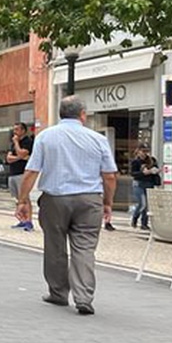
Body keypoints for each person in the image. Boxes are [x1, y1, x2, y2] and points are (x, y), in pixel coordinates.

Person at [17, 96, 116, 316]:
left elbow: (31, 171)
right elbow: (109, 175)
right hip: (90, 200)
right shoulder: (97, 139)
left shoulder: (46, 137)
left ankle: (58, 292)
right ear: (82, 114)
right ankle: (84, 297)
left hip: (55, 199)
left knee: (55, 245)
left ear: (61, 113)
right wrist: (108, 202)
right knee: (84, 248)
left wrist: (22, 199)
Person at [6, 122, 35, 231]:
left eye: (17, 129)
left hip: (23, 173)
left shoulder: (28, 141)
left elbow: (22, 153)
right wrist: (19, 157)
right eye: (14, 129)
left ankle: (29, 221)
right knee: (18, 198)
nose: (15, 132)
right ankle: (22, 220)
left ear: (23, 130)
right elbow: (8, 158)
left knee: (25, 198)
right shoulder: (13, 143)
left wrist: (17, 145)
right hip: (13, 172)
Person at [130, 146, 160, 231]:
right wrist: (143, 173)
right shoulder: (135, 162)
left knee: (147, 204)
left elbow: (156, 169)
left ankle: (144, 223)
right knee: (142, 203)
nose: (144, 153)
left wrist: (155, 171)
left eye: (146, 151)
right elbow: (133, 173)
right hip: (138, 183)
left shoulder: (152, 160)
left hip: (149, 183)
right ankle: (135, 218)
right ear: (138, 152)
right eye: (142, 151)